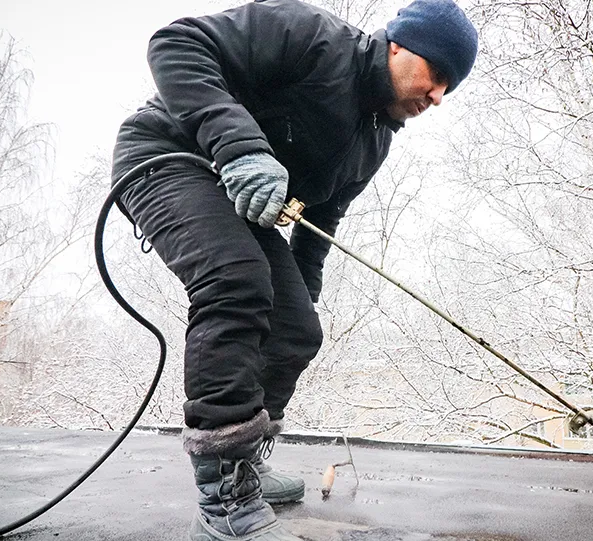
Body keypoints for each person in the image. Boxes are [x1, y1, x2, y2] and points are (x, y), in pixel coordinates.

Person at [110, 0, 477, 539]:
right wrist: (240, 147)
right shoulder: (313, 37)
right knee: (237, 283)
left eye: (451, 87)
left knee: (298, 329)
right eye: (438, 74)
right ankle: (225, 500)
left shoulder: (373, 140)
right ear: (400, 45)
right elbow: (176, 44)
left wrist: (298, 303)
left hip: (232, 195)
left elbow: (318, 223)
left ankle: (247, 461)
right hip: (166, 158)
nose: (439, 96)